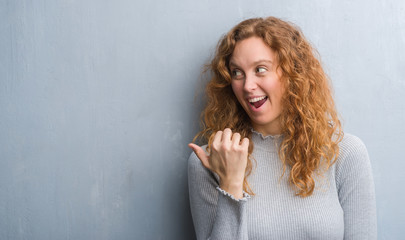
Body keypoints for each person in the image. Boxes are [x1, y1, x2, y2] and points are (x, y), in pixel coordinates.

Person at [187, 17, 377, 240]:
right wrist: (230, 185)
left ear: (292, 74)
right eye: (237, 72)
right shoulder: (210, 161)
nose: (247, 86)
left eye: (260, 69)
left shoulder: (345, 153)